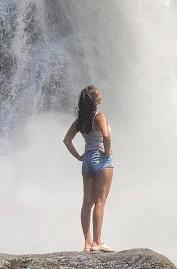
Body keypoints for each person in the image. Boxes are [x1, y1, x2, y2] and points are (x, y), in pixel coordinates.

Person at [63, 85, 114, 252]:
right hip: (101, 160)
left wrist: (79, 156)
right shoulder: (100, 117)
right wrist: (107, 152)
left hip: (87, 160)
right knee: (100, 202)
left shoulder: (80, 121)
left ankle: (87, 243)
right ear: (94, 99)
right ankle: (98, 242)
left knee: (87, 203)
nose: (101, 93)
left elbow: (67, 140)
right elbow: (106, 136)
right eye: (98, 92)